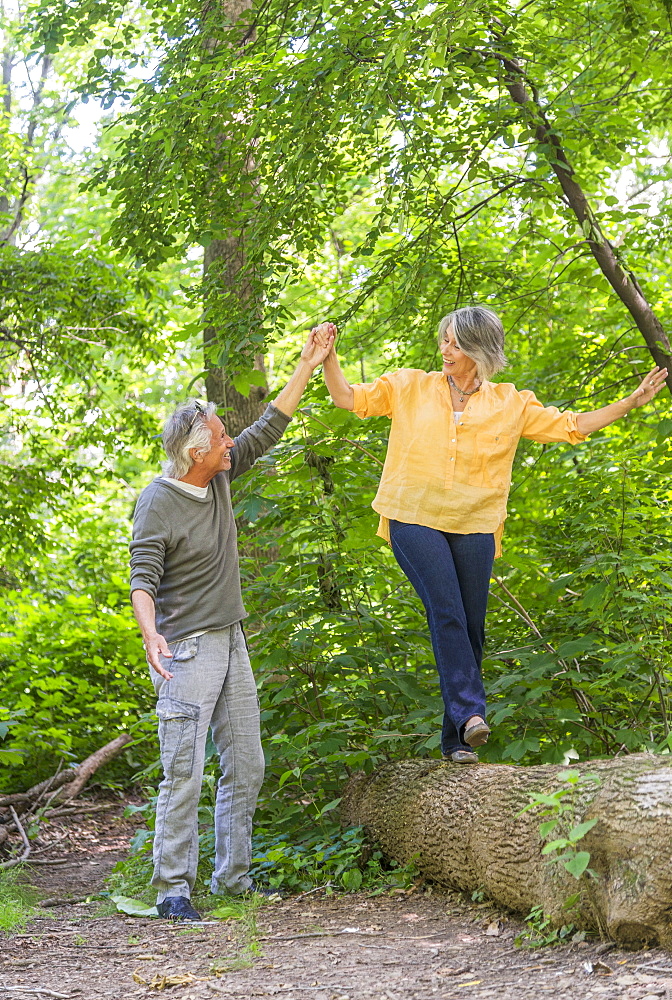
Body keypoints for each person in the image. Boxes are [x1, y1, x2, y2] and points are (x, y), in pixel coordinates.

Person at [315, 308, 668, 763]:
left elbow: (571, 426)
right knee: (446, 610)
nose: (445, 349)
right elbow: (346, 397)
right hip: (413, 514)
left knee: (471, 627)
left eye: (455, 343)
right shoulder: (410, 386)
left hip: (476, 524)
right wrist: (328, 358)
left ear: (480, 351)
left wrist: (629, 402)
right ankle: (472, 715)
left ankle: (456, 742)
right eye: (443, 340)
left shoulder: (511, 403)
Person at [129, 328, 334, 921]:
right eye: (220, 439)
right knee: (184, 770)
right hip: (187, 652)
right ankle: (173, 889)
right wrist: (152, 634)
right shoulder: (158, 501)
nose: (229, 445)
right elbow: (142, 580)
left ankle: (233, 880)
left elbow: (267, 428)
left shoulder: (218, 473)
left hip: (231, 640)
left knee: (247, 764)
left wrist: (307, 363)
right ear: (196, 454)